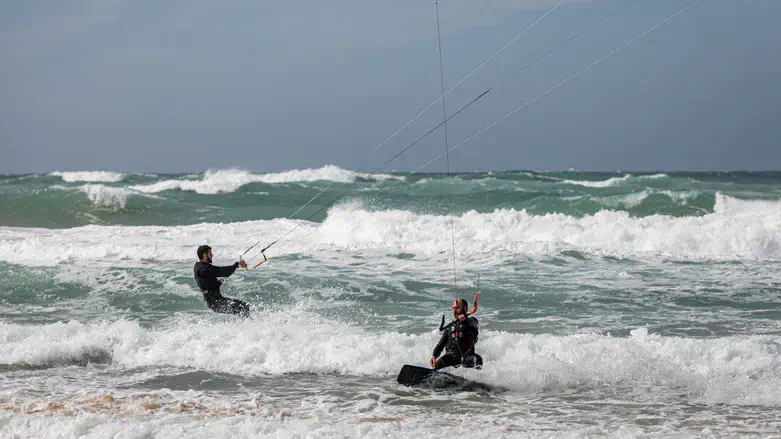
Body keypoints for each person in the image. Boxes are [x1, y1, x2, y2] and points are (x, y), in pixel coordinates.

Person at [193, 245, 250, 317]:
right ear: (204, 255)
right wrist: (236, 265)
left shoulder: (198, 266)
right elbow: (223, 271)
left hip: (217, 301)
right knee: (243, 306)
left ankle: (241, 325)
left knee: (241, 307)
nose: (212, 255)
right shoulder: (203, 269)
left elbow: (209, 278)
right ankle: (245, 325)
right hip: (215, 303)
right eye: (210, 253)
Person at [430, 298, 482, 370]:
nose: (454, 311)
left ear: (465, 308)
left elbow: (474, 324)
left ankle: (476, 380)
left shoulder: (472, 322)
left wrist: (464, 321)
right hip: (451, 356)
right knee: (438, 363)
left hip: (467, 356)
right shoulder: (449, 327)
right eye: (453, 308)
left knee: (478, 360)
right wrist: (434, 356)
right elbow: (440, 345)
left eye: (457, 308)